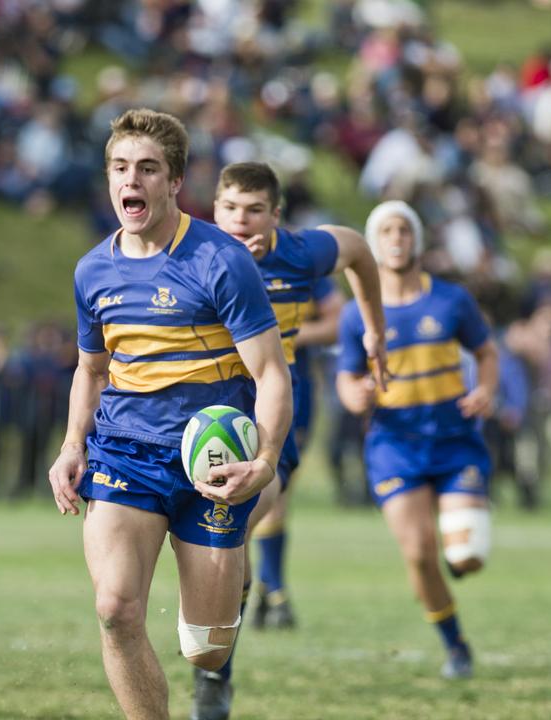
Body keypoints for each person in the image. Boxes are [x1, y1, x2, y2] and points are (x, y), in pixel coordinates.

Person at [46, 108, 294, 720]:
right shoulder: (92, 270)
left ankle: (231, 585)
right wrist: (72, 444)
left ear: (175, 181)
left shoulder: (221, 259)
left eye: (149, 169)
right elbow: (92, 370)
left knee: (206, 651)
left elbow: (270, 373)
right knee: (115, 608)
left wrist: (263, 462)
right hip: (125, 452)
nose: (133, 179)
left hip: (212, 465)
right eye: (121, 168)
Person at [195, 161, 387, 719]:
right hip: (207, 412)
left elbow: (355, 248)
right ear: (215, 209)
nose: (241, 219)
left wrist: (373, 325)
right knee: (217, 541)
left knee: (232, 528)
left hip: (280, 414)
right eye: (230, 208)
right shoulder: (196, 254)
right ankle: (229, 637)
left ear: (275, 214)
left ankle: (213, 678)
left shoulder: (300, 253)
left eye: (254, 210)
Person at [336, 200, 497, 680]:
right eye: (386, 230)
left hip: (454, 442)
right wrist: (358, 395)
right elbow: (345, 381)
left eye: (404, 229)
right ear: (374, 242)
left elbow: (486, 352)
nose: (396, 238)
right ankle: (457, 647)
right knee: (418, 554)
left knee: (466, 557)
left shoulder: (451, 300)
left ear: (417, 239)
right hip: (395, 446)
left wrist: (486, 388)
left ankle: (459, 554)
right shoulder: (355, 315)